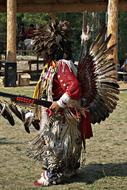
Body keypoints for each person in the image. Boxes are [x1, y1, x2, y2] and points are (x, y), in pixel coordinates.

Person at [28, 18, 93, 187]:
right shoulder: (56, 65)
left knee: (55, 143)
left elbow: (74, 87)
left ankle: (52, 175)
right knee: (64, 144)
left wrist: (60, 103)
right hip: (61, 115)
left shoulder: (61, 65)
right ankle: (69, 170)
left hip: (63, 116)